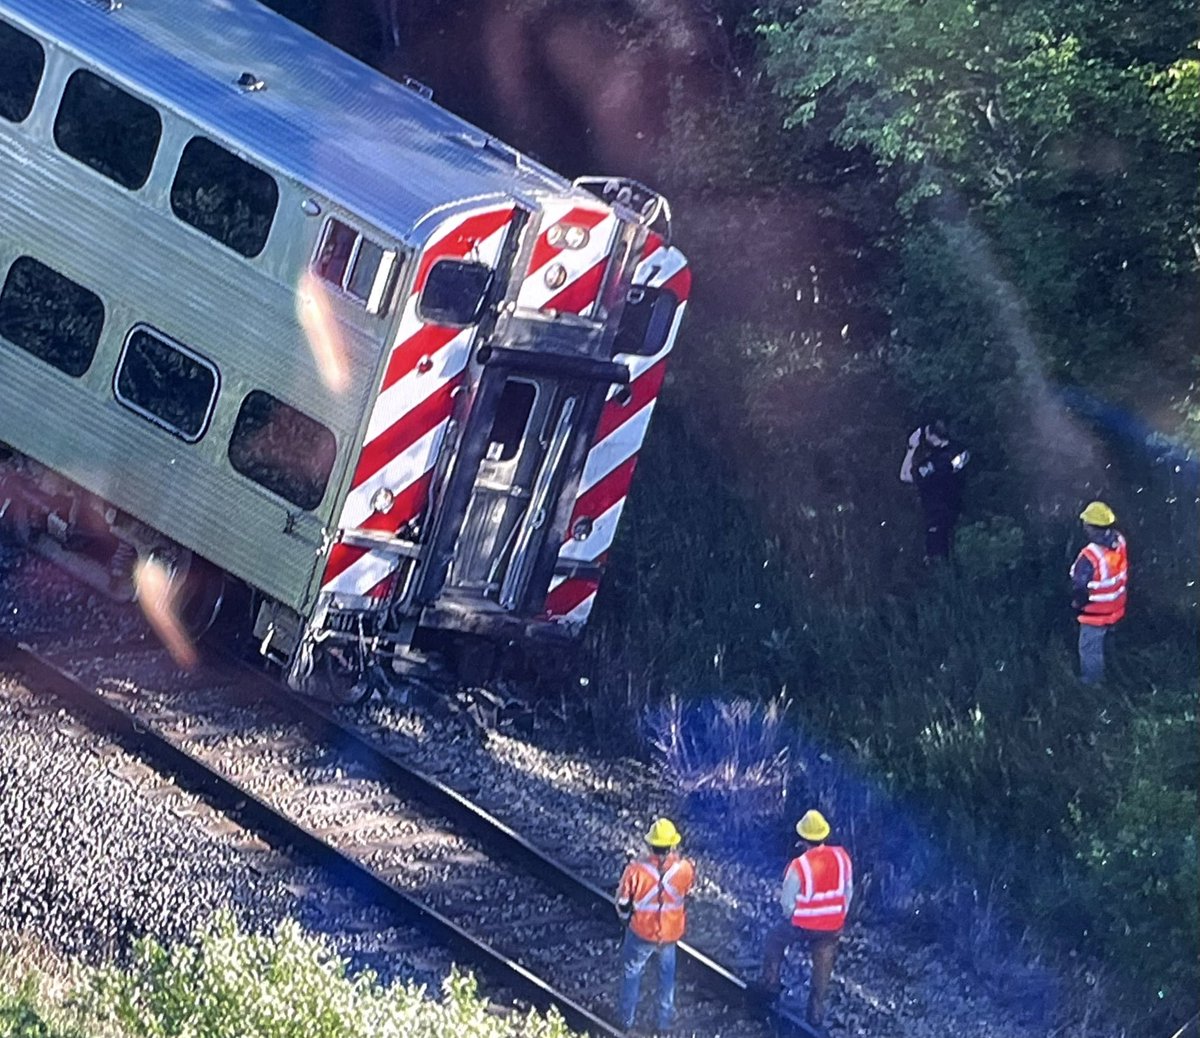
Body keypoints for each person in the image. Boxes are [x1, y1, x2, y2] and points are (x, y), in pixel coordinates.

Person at [760, 809, 853, 1034]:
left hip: (803, 925)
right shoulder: (842, 857)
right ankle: (816, 1014)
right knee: (823, 965)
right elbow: (848, 891)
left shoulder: (799, 865)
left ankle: (770, 986)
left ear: (803, 839)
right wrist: (838, 914)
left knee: (774, 939)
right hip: (833, 926)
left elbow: (786, 904)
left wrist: (794, 915)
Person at [615, 817, 695, 1035]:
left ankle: (625, 1020)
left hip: (641, 932)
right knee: (666, 979)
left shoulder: (635, 871)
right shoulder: (686, 869)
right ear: (672, 845)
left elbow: (622, 904)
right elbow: (686, 893)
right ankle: (662, 1025)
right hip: (669, 936)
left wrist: (625, 919)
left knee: (632, 973)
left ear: (651, 845)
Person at [1070, 501, 1127, 685]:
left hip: (1094, 615)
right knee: (1108, 646)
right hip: (1116, 609)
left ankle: (1093, 687)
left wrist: (1077, 605)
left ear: (1094, 528)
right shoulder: (1119, 541)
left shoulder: (1089, 556)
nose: (1084, 526)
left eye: (1086, 523)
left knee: (1090, 650)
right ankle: (1116, 674)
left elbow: (1080, 588)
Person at [899, 420, 970, 559]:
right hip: (960, 512)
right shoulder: (960, 450)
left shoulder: (932, 464)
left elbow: (904, 475)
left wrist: (911, 448)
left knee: (939, 561)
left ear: (932, 437)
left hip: (937, 519)